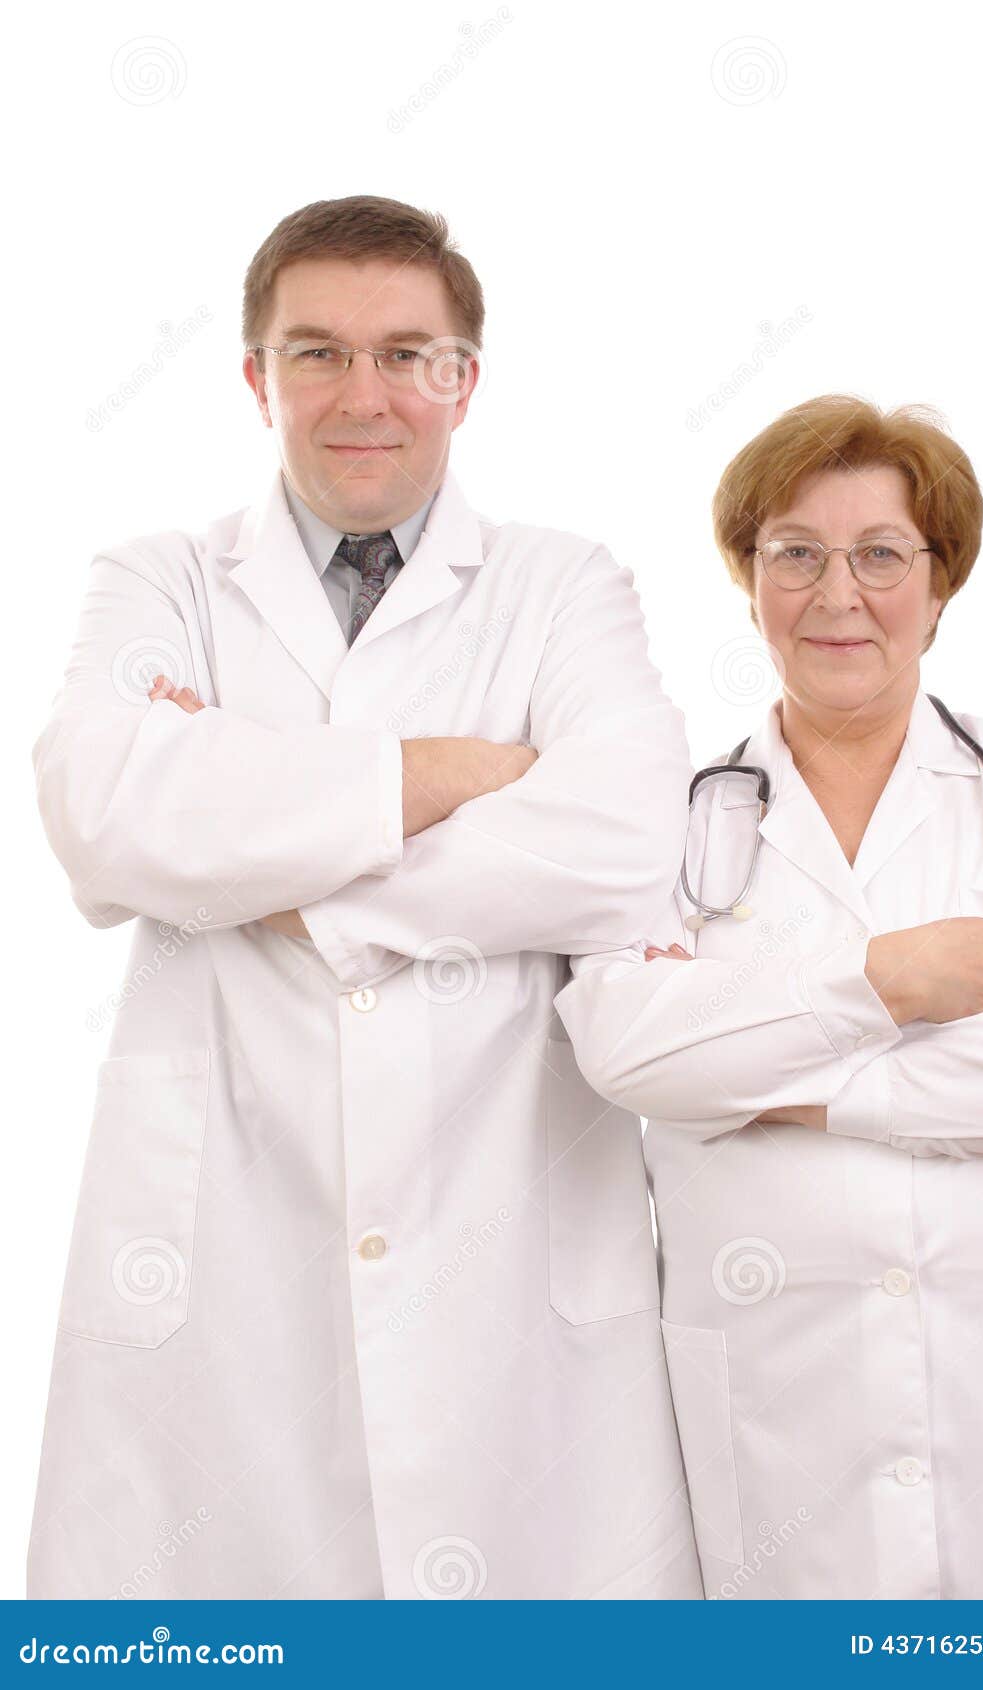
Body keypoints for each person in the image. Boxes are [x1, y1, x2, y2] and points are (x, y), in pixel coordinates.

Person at [29, 195, 702, 1600]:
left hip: (509, 1242)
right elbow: (103, 817)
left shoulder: (562, 586)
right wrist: (450, 770)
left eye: (410, 353)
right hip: (226, 1246)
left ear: (467, 379)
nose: (365, 395)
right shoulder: (159, 582)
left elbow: (626, 841)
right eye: (317, 352)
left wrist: (280, 868)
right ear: (256, 377)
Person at [555, 394, 983, 1601]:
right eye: (795, 553)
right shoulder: (667, 817)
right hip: (786, 1424)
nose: (839, 594)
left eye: (883, 554)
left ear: (941, 586)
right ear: (749, 583)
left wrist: (781, 1079)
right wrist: (889, 980)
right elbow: (632, 1054)